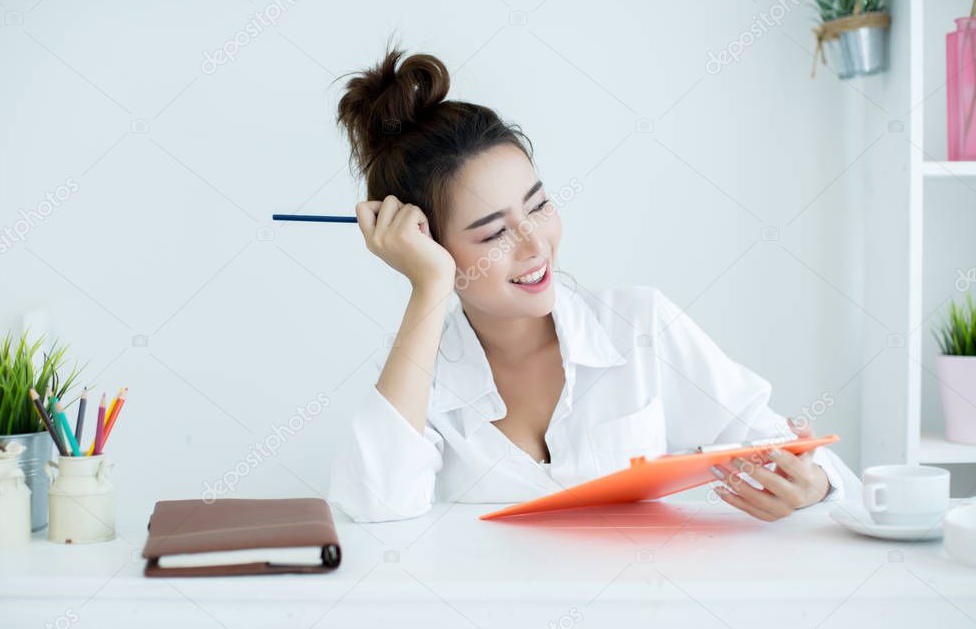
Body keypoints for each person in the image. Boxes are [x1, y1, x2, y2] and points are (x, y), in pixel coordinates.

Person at [326, 45, 861, 523]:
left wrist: (816, 486)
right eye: (493, 233)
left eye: (538, 206)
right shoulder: (422, 372)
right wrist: (428, 288)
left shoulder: (640, 325)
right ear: (429, 247)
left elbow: (785, 446)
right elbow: (378, 506)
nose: (535, 245)